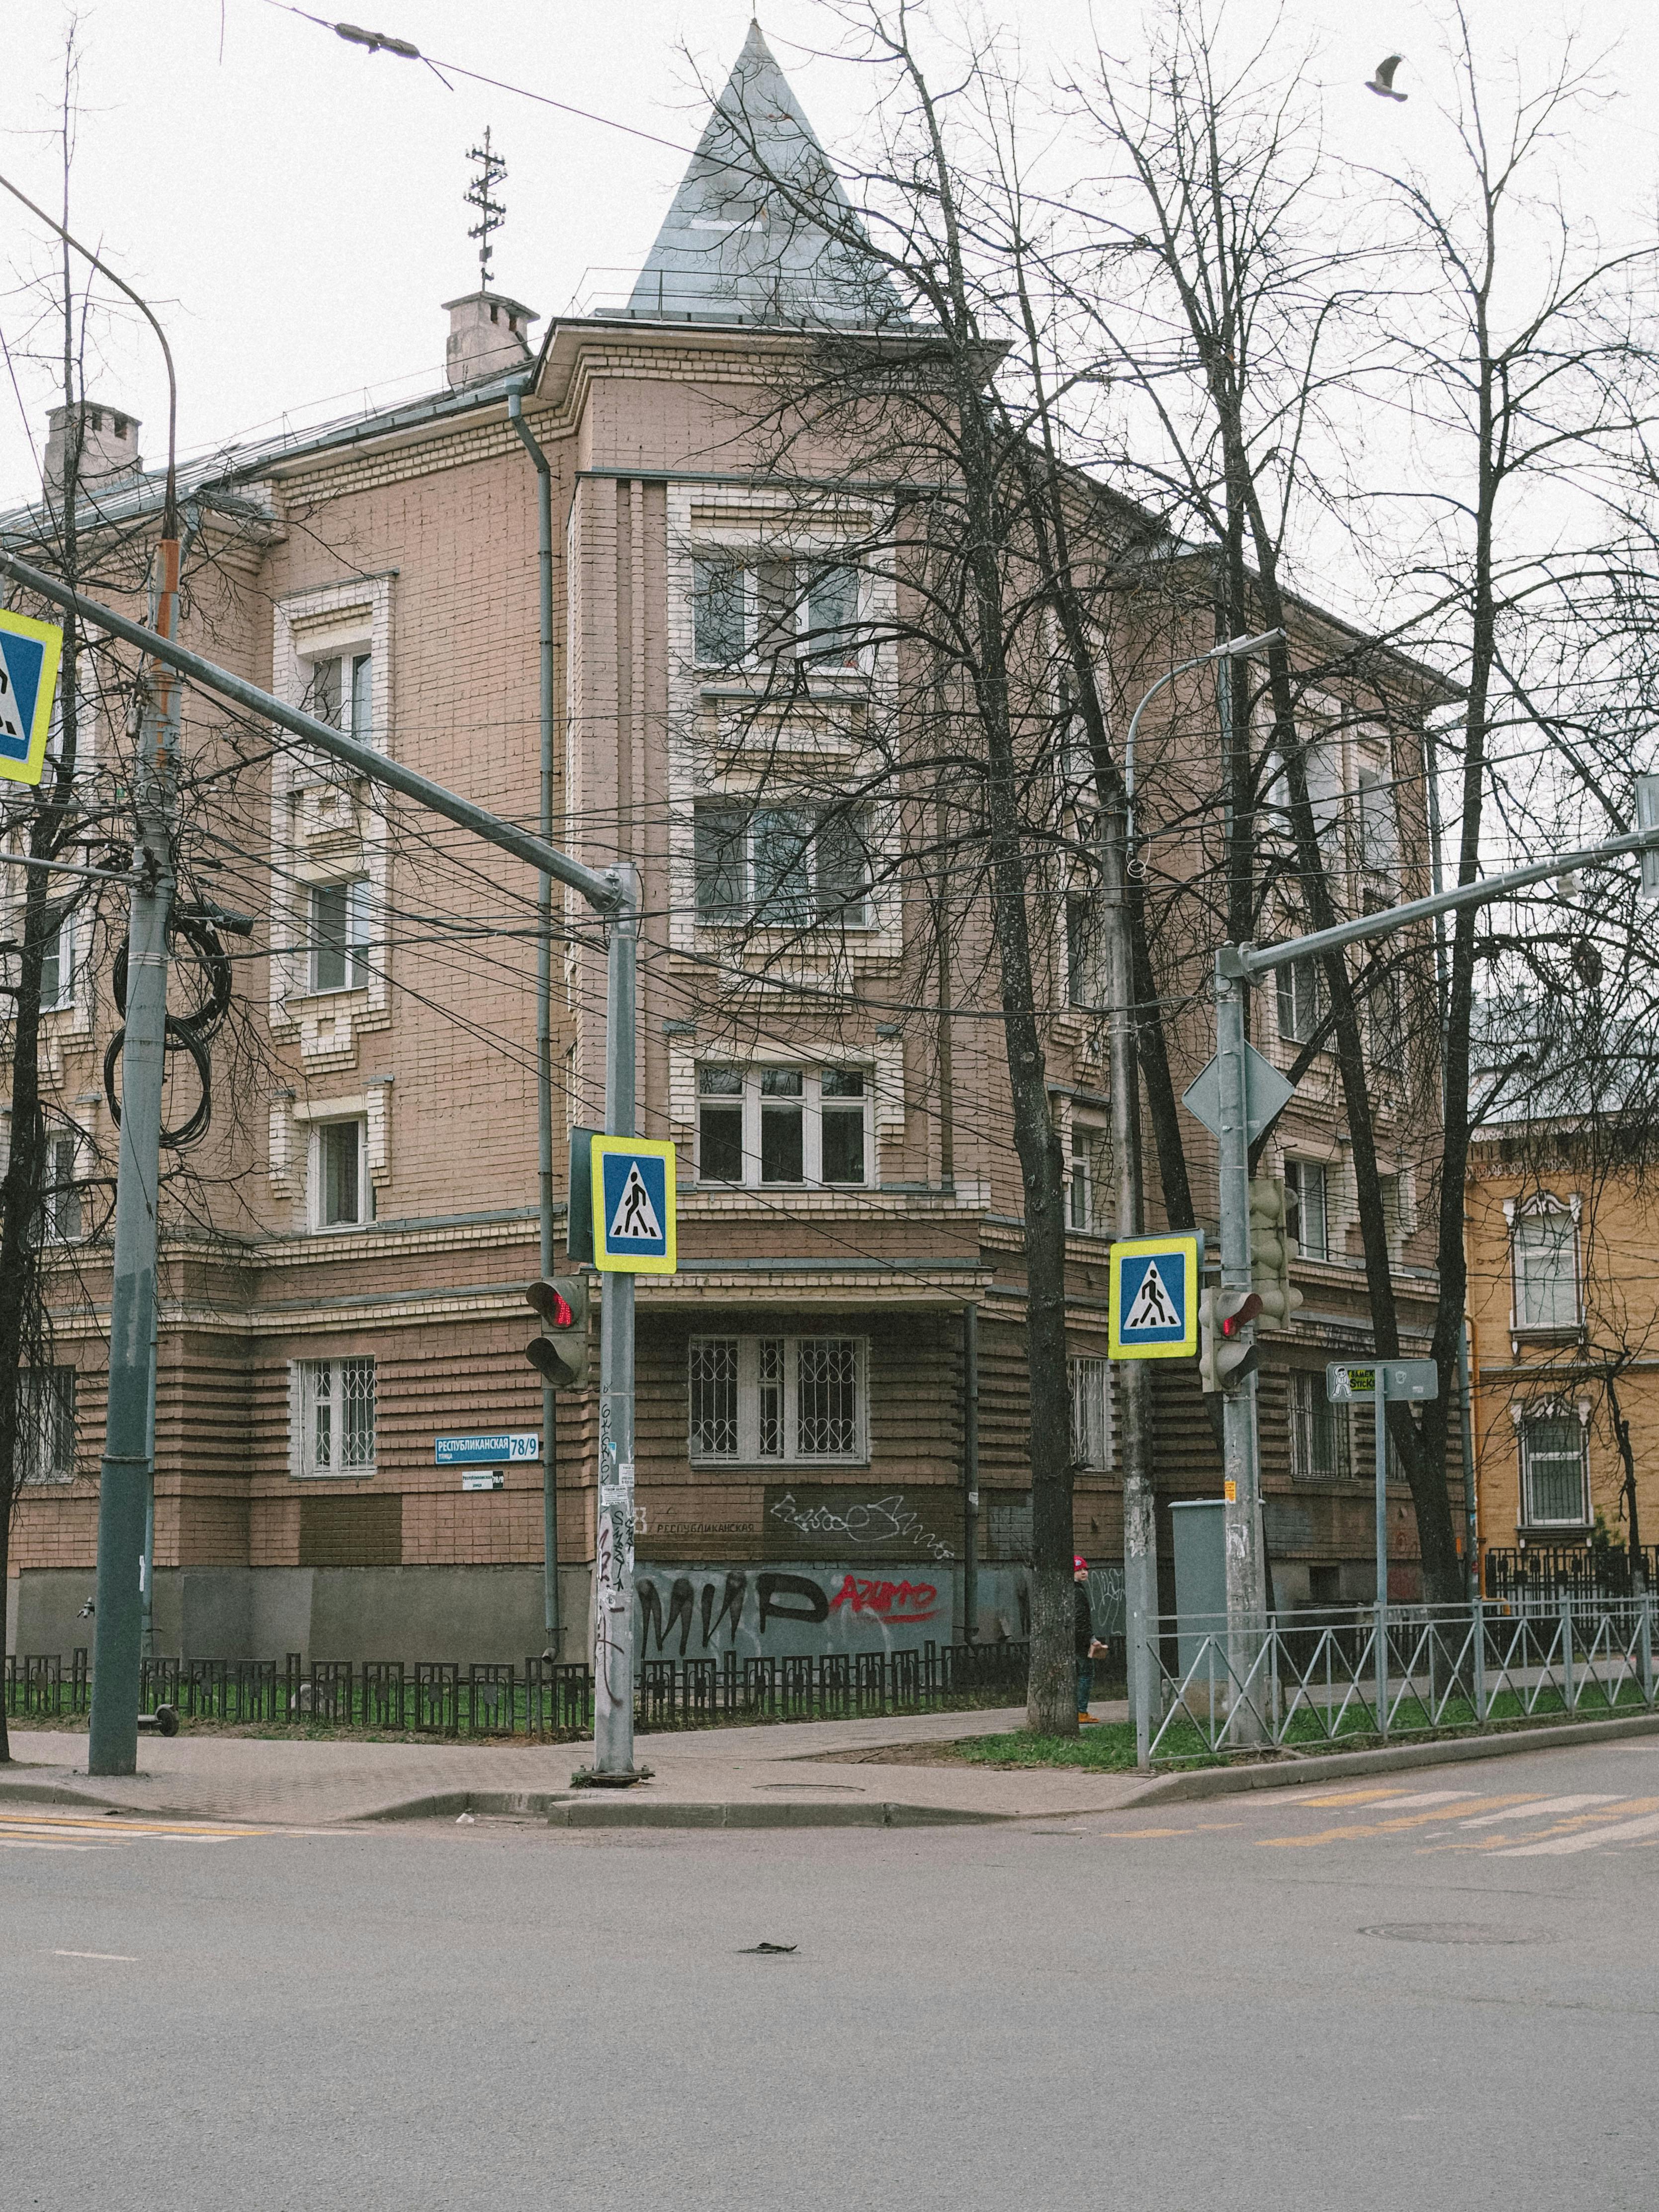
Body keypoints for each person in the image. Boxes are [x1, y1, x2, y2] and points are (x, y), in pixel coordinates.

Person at [1074, 1555, 1109, 1724]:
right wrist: (1092, 1639)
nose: (1083, 1573)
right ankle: (1081, 1712)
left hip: (1073, 1640)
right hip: (1080, 1642)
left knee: (1078, 1674)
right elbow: (1081, 1619)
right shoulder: (1078, 1592)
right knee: (1087, 1674)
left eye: (1085, 1569)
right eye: (1079, 1570)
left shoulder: (1073, 1590)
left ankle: (1078, 1710)